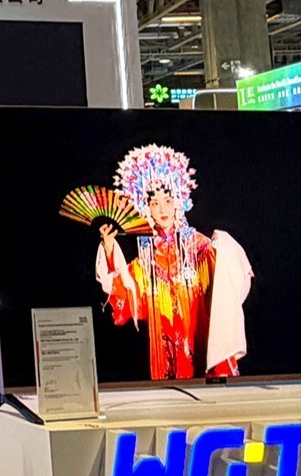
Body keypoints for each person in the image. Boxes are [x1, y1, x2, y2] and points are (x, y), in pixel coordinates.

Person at [94, 143, 252, 380]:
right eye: (154, 203)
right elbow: (127, 294)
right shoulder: (147, 253)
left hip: (197, 333)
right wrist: (109, 249)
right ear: (146, 208)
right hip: (163, 341)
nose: (162, 210)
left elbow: (224, 284)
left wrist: (222, 246)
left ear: (178, 200)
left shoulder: (197, 244)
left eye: (167, 201)